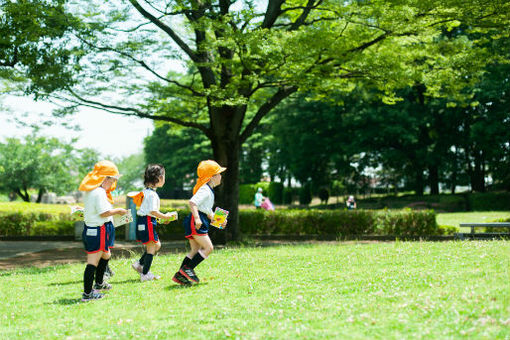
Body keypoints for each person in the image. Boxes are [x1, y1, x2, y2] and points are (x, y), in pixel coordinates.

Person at [79, 160, 128, 302]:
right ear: (104, 178)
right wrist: (118, 211)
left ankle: (99, 283)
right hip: (98, 230)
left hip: (93, 229)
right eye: (112, 180)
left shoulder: (90, 191)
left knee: (106, 255)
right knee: (92, 262)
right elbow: (104, 212)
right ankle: (88, 294)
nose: (113, 184)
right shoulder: (99, 192)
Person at [172, 160, 226, 285]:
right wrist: (197, 218)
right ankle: (188, 269)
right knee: (208, 247)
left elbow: (206, 210)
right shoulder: (205, 190)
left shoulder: (209, 190)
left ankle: (180, 275)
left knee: (195, 249)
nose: (221, 176)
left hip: (197, 219)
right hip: (196, 220)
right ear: (211, 177)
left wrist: (218, 220)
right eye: (219, 174)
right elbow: (193, 202)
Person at [130, 164, 175, 281]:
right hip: (147, 222)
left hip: (143, 221)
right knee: (151, 248)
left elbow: (148, 211)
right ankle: (145, 274)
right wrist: (165, 216)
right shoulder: (153, 195)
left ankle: (139, 264)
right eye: (164, 176)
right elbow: (153, 211)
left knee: (156, 245)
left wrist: (161, 219)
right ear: (159, 178)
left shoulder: (145, 192)